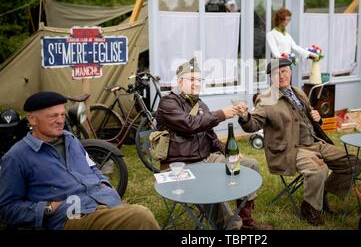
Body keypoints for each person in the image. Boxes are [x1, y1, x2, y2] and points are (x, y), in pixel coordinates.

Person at [0, 91, 160, 230]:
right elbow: (7, 208)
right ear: (32, 119)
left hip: (104, 203)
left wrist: (105, 185)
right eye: (53, 116)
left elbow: (91, 167)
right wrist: (48, 208)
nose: (60, 120)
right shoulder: (17, 157)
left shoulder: (70, 140)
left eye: (62, 114)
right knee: (140, 216)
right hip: (73, 217)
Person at [236, 58, 361, 226]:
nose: (281, 76)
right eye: (276, 73)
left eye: (284, 71)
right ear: (270, 77)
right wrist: (245, 117)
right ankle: (310, 208)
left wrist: (316, 117)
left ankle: (321, 193)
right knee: (318, 170)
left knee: (354, 163)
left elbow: (309, 114)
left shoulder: (297, 91)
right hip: (292, 149)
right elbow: (254, 124)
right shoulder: (266, 98)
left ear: (290, 72)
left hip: (315, 142)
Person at [155, 58, 272, 230]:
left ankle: (246, 221)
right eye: (192, 79)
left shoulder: (200, 104)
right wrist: (222, 114)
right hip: (181, 165)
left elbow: (211, 138)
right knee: (210, 189)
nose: (196, 84)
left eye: (199, 80)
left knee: (249, 165)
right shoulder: (168, 103)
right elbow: (190, 124)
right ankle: (233, 228)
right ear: (180, 82)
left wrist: (227, 151)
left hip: (206, 159)